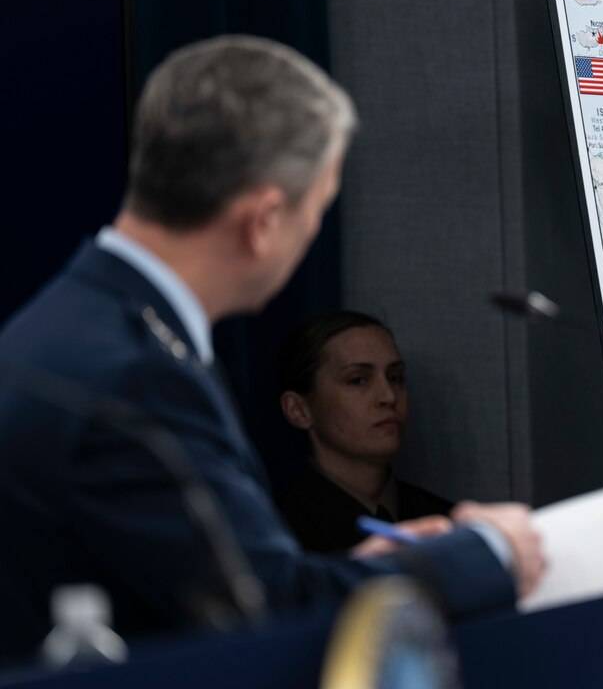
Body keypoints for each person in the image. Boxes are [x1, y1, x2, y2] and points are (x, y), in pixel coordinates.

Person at [0, 35, 542, 662]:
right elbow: (268, 617)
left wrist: (365, 571)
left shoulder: (71, 320)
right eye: (316, 211)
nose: (311, 234)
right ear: (263, 223)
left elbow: (175, 584)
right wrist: (486, 554)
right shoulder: (139, 372)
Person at [276, 310, 452, 552]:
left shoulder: (446, 523)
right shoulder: (276, 536)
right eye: (358, 380)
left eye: (395, 377)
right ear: (299, 410)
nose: (389, 396)